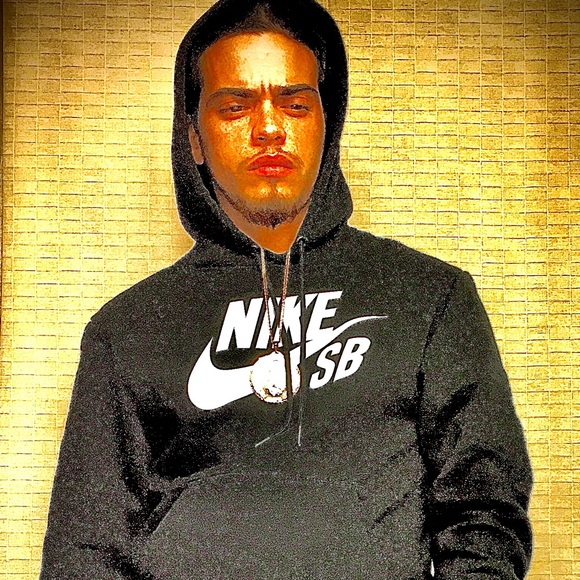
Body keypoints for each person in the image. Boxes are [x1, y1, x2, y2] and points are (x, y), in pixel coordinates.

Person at [41, 0, 533, 578]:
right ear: (194, 138)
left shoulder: (431, 298)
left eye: (296, 104)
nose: (270, 128)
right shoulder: (126, 329)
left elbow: (484, 514)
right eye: (235, 106)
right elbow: (85, 550)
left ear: (327, 123)